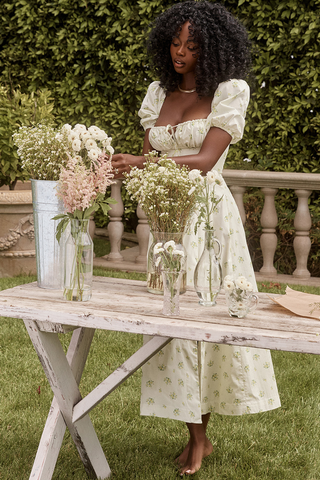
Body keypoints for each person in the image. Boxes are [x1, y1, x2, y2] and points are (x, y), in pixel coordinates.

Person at [112, 1, 281, 476]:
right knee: (170, 329)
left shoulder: (229, 91)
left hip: (207, 219)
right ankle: (195, 436)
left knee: (203, 322)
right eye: (174, 42)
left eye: (192, 44)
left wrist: (142, 164)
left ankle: (202, 437)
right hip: (168, 221)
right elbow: (147, 156)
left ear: (211, 49)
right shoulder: (157, 94)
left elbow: (206, 161)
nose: (180, 52)